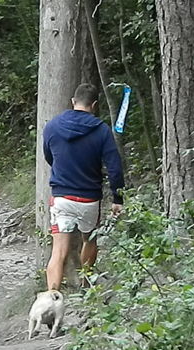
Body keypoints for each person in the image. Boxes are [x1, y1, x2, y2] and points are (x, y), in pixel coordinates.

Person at [43, 83, 125, 291]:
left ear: (73, 102)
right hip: (90, 200)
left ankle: (52, 296)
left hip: (61, 197)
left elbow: (49, 156)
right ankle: (85, 285)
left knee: (58, 251)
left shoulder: (52, 126)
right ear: (94, 105)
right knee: (89, 240)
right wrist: (118, 198)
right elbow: (114, 168)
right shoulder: (102, 130)